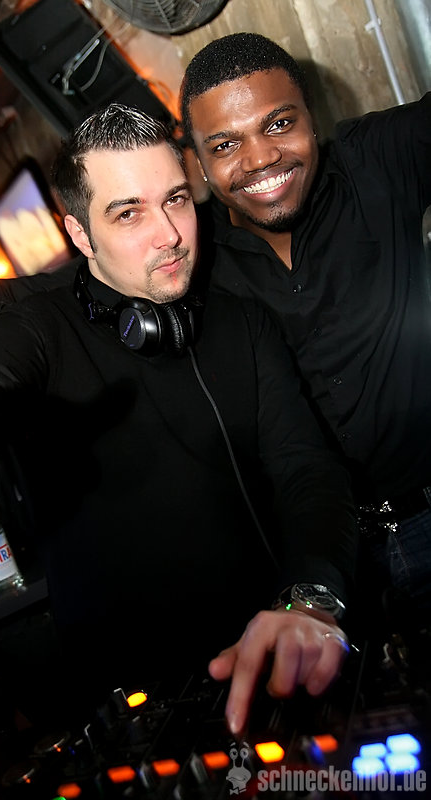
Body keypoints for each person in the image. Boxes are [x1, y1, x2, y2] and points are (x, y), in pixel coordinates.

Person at [0, 104, 357, 735]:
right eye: (128, 213)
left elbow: (307, 469)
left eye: (176, 200)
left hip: (276, 662)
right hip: (138, 706)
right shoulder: (36, 329)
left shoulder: (242, 323)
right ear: (81, 236)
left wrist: (311, 598)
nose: (169, 234)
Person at [180, 32, 431, 614]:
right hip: (327, 568)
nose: (260, 159)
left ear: (311, 119)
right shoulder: (188, 256)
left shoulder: (374, 160)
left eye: (277, 124)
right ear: (198, 163)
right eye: (225, 145)